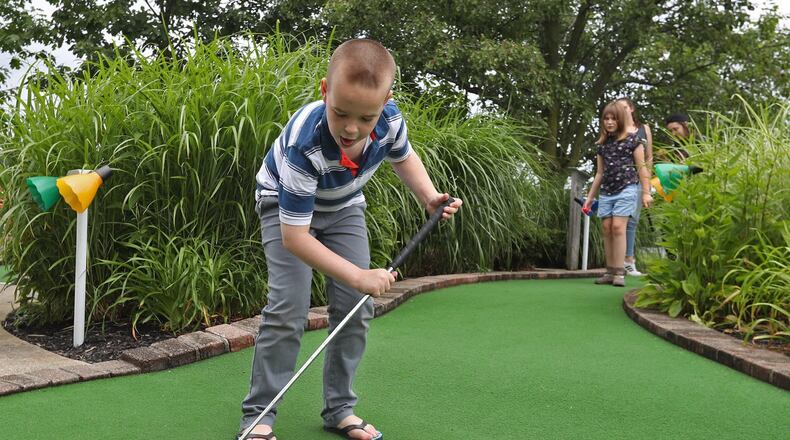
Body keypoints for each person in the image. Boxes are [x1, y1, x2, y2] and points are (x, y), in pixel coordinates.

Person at [239, 38, 463, 440]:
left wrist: (429, 197)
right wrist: (360, 277)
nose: (351, 128)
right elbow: (296, 238)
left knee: (354, 310)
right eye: (341, 113)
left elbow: (404, 156)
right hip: (284, 208)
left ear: (386, 101)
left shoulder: (390, 121)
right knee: (289, 308)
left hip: (343, 207)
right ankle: (259, 416)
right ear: (325, 91)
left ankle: (340, 409)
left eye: (366, 117)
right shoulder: (304, 144)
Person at [584, 101, 652, 287]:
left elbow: (641, 168)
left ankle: (620, 273)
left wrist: (646, 193)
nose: (609, 122)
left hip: (628, 188)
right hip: (607, 191)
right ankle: (610, 271)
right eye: (606, 118)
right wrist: (590, 198)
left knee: (618, 228)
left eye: (613, 118)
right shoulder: (602, 145)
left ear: (621, 120)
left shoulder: (633, 141)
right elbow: (599, 173)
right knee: (606, 228)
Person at [616, 98, 653, 277]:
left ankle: (629, 260)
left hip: (639, 180)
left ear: (631, 108)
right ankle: (616, 262)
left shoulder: (644, 129)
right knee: (617, 221)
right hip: (620, 181)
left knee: (633, 220)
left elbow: (649, 156)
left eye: (624, 107)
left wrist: (648, 184)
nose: (621, 111)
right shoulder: (616, 129)